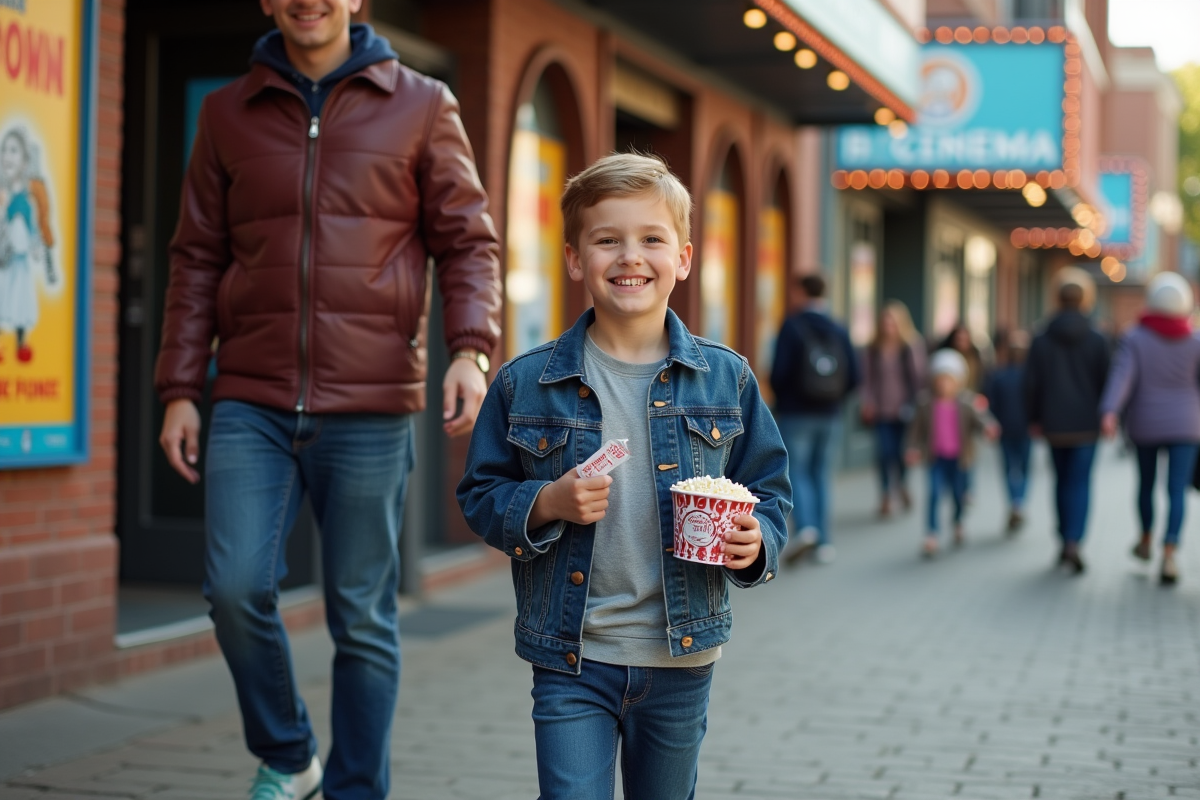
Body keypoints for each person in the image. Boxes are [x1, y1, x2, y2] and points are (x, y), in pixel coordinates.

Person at [154, 2, 502, 797]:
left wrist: (473, 352)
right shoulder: (225, 112)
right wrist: (179, 387)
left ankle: (355, 790)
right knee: (237, 588)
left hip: (373, 402)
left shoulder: (422, 103)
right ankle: (287, 750)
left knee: (363, 619)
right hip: (250, 395)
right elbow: (195, 259)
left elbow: (468, 242)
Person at [457, 153, 791, 800]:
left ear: (685, 258)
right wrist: (546, 501)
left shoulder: (729, 379)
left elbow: (770, 490)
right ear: (575, 259)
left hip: (681, 657)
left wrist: (758, 544)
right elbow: (480, 492)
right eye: (607, 240)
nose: (629, 256)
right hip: (572, 655)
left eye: (651, 240)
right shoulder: (525, 383)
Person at [1100, 272, 1200, 586]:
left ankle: (1145, 538)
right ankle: (1169, 551)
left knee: (1145, 485)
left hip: (1145, 424)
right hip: (1187, 425)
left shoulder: (1135, 337)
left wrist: (1109, 412)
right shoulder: (1196, 341)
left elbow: (1122, 377)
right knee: (1176, 491)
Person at [1024, 268, 1110, 574]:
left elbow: (1031, 383)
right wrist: (1108, 417)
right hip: (1087, 424)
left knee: (1061, 482)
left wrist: (1033, 418)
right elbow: (1106, 382)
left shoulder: (1041, 338)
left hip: (1054, 423)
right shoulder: (1098, 338)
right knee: (1081, 483)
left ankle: (1064, 539)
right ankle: (1075, 540)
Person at [770, 273, 859, 564]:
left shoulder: (792, 326)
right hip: (830, 414)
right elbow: (855, 376)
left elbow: (778, 373)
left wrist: (786, 397)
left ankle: (806, 528)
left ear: (800, 292)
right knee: (821, 474)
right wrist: (833, 398)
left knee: (797, 472)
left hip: (796, 413)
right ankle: (824, 542)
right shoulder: (838, 327)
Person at [906, 349, 998, 558]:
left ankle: (957, 521)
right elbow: (915, 430)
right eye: (940, 380)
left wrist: (988, 429)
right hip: (935, 458)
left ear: (958, 381)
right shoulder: (925, 403)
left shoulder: (967, 402)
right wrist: (912, 449)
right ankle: (932, 534)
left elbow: (982, 420)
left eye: (948, 380)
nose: (943, 385)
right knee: (934, 494)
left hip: (960, 459)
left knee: (959, 495)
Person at [861, 300, 925, 517]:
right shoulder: (874, 348)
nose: (888, 327)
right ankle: (886, 495)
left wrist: (920, 405)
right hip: (881, 410)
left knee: (902, 453)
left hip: (905, 409)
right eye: (885, 322)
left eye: (893, 322)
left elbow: (919, 379)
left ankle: (903, 484)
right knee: (883, 453)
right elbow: (867, 379)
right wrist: (867, 401)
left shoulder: (910, 346)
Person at [983, 328, 1033, 532]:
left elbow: (991, 404)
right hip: (1025, 429)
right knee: (1024, 468)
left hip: (1005, 429)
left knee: (1008, 469)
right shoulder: (1030, 376)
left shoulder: (998, 375)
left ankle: (1014, 501)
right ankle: (1019, 501)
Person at [937, 322, 987, 392]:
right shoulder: (946, 357)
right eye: (959, 339)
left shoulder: (975, 358)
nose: (961, 343)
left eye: (964, 339)